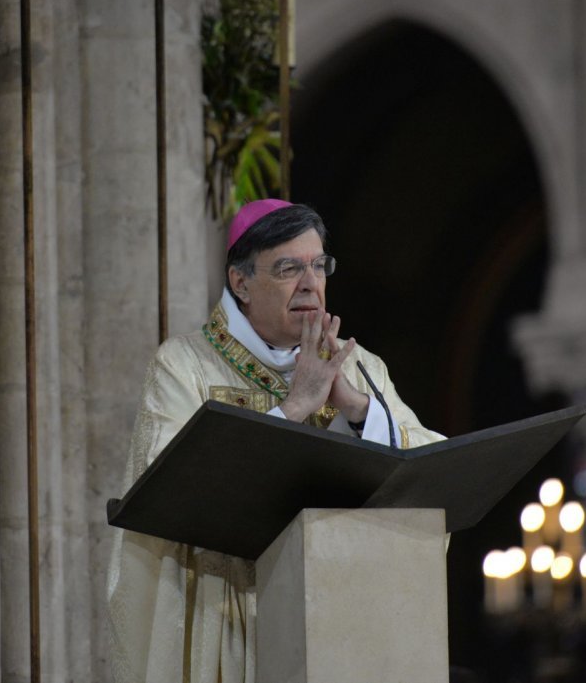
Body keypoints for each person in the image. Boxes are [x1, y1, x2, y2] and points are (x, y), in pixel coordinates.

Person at [107, 199, 445, 683]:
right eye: (289, 268)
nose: (311, 284)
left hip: (340, 623)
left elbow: (429, 467)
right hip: (224, 619)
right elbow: (170, 491)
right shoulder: (185, 367)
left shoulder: (359, 366)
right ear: (241, 282)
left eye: (319, 266)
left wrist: (357, 409)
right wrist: (295, 407)